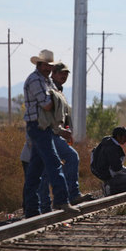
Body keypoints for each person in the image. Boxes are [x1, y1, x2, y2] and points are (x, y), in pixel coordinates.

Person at [22, 49, 79, 218]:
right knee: (54, 163)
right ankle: (62, 200)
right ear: (39, 64)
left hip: (43, 127)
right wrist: (58, 102)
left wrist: (59, 126)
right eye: (45, 65)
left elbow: (54, 102)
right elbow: (48, 105)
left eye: (50, 65)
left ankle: (32, 211)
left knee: (35, 171)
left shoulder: (46, 80)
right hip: (37, 127)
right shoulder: (35, 80)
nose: (48, 68)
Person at [36, 62, 92, 212]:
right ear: (53, 74)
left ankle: (49, 203)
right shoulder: (49, 90)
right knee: (66, 159)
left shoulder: (58, 90)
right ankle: (67, 196)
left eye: (66, 74)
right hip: (47, 133)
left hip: (55, 133)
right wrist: (61, 132)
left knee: (48, 169)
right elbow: (46, 115)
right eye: (61, 73)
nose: (64, 76)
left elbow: (63, 115)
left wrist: (66, 131)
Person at [90, 127, 126, 195]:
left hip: (104, 174)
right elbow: (116, 169)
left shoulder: (107, 143)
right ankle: (111, 189)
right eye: (125, 136)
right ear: (118, 136)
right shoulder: (113, 148)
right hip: (109, 176)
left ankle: (109, 186)